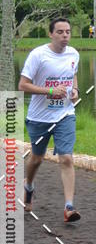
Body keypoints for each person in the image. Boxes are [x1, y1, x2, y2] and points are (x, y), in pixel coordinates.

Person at [18, 17, 81, 223]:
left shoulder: (74, 54)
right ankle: (28, 186)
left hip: (65, 115)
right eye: (60, 32)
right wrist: (49, 90)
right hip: (39, 117)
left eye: (68, 32)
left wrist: (75, 91)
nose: (65, 36)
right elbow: (23, 86)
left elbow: (73, 76)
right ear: (51, 34)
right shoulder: (38, 55)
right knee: (36, 158)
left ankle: (69, 207)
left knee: (66, 158)